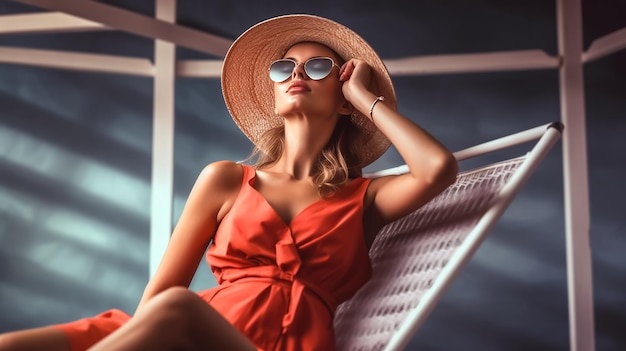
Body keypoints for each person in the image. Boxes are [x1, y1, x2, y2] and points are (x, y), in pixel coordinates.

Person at [0, 14, 457, 351]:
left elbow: (437, 169)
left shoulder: (366, 199)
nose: (296, 74)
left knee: (179, 308)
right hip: (188, 330)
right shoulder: (224, 179)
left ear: (342, 99)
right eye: (285, 68)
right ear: (274, 91)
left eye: (318, 68)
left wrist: (366, 99)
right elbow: (157, 298)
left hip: (277, 342)